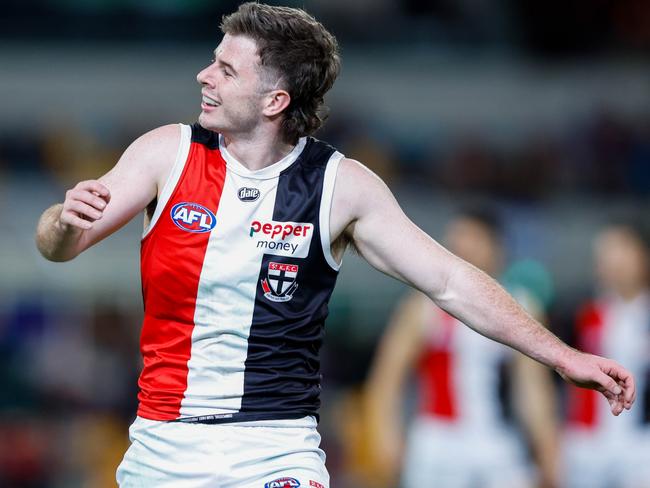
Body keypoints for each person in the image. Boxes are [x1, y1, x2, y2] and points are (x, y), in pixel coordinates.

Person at [34, 3, 635, 487]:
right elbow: (59, 246)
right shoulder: (166, 152)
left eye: (225, 69)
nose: (203, 75)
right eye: (211, 61)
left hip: (275, 451)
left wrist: (564, 357)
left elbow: (450, 281)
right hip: (163, 445)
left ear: (275, 102)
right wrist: (64, 221)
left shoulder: (340, 186)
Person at [365, 209, 560, 488]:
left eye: (472, 239)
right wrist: (385, 433)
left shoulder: (522, 307)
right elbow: (388, 377)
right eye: (456, 239)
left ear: (496, 248)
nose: (461, 247)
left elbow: (532, 388)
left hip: (496, 441)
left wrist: (547, 446)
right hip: (438, 442)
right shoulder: (422, 306)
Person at [563, 222, 650, 488]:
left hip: (640, 443)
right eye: (605, 253)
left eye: (621, 251)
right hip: (586, 443)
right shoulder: (580, 314)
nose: (612, 261)